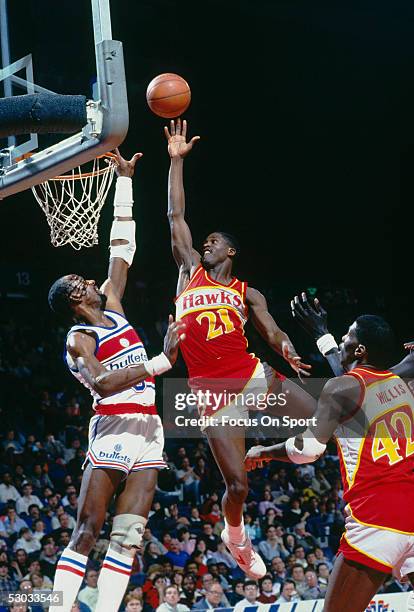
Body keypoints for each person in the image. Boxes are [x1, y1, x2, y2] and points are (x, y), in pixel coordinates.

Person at [164, 117, 316, 579]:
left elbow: (272, 331)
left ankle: (267, 451)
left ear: (230, 252)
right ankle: (237, 538)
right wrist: (175, 163)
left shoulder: (248, 292)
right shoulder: (190, 269)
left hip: (251, 374)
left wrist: (288, 349)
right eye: (204, 241)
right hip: (210, 392)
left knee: (320, 423)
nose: (205, 244)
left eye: (214, 242)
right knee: (238, 487)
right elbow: (175, 217)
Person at [47, 149, 185, 612]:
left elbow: (121, 251)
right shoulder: (78, 340)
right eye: (77, 281)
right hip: (113, 426)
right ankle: (57, 606)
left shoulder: (112, 303)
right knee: (88, 531)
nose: (88, 280)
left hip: (149, 429)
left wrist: (124, 182)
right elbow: (104, 384)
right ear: (72, 299)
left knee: (128, 537)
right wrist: (162, 361)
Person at [246, 310, 414, 612]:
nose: (341, 341)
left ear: (359, 350)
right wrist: (322, 336)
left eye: (347, 337)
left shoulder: (342, 389)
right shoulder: (401, 382)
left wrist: (265, 452)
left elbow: (308, 449)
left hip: (375, 517)